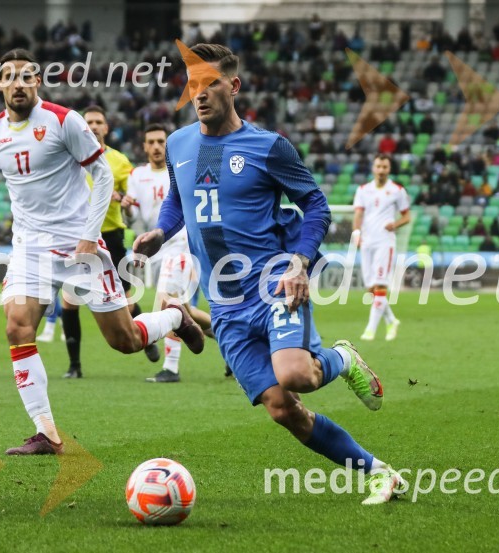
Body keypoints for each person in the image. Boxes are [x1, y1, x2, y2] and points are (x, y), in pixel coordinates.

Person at [133, 43, 406, 505]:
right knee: (283, 409)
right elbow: (179, 200)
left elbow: (316, 204)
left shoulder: (268, 147)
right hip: (225, 301)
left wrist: (300, 262)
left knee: (296, 374)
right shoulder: (180, 143)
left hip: (274, 281)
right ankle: (380, 473)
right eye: (192, 84)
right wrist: (161, 231)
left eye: (210, 83)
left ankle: (340, 358)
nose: (199, 94)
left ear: (233, 86)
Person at [0, 49, 204, 455]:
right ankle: (46, 432)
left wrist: (88, 235)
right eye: (9, 77)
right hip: (29, 248)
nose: (18, 83)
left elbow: (101, 175)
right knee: (17, 326)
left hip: (78, 247)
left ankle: (175, 315)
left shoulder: (64, 121)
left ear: (37, 82)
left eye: (26, 76)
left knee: (123, 341)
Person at [39, 105, 161, 378]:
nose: (93, 126)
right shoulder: (69, 155)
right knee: (70, 300)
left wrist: (126, 202)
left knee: (126, 302)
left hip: (110, 236)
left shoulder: (119, 161)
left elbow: (132, 201)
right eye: (89, 121)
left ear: (106, 128)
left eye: (98, 122)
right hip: (76, 237)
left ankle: (147, 338)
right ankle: (75, 366)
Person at [125, 123, 225, 383]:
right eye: (152, 142)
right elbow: (134, 218)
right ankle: (235, 345)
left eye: (161, 141)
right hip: (157, 249)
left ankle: (170, 368)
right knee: (187, 314)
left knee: (168, 303)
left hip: (181, 244)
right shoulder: (136, 176)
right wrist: (126, 209)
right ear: (144, 146)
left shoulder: (180, 170)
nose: (157, 146)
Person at [352, 154, 411, 342]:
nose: (381, 170)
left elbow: (406, 216)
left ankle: (370, 330)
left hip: (385, 242)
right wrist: (356, 233)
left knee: (380, 285)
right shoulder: (363, 190)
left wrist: (396, 224)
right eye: (378, 166)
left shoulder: (397, 190)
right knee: (371, 288)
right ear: (373, 168)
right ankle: (392, 320)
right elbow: (358, 215)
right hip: (367, 241)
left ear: (389, 169)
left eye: (384, 167)